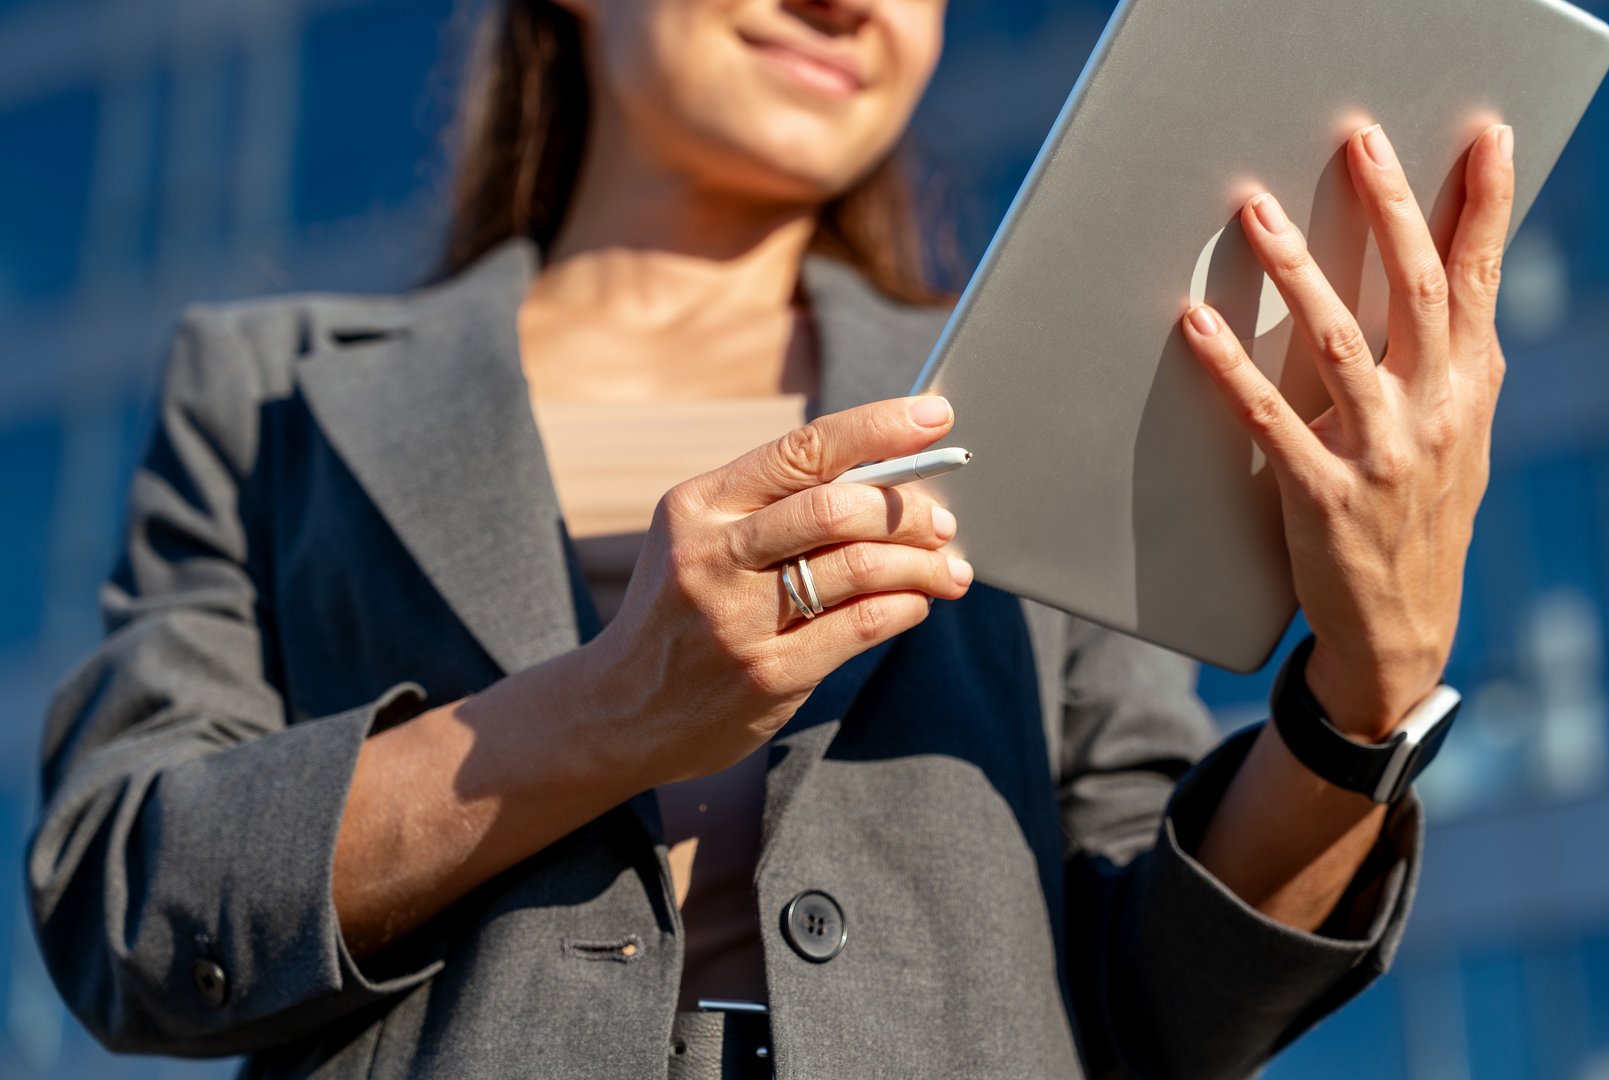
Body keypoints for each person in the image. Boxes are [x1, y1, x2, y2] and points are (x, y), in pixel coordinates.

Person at [26, 0, 1516, 1076]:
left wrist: (1363, 702)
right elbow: (130, 903)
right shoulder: (270, 392)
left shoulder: (1040, 389)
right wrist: (608, 711)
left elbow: (1169, 1003)